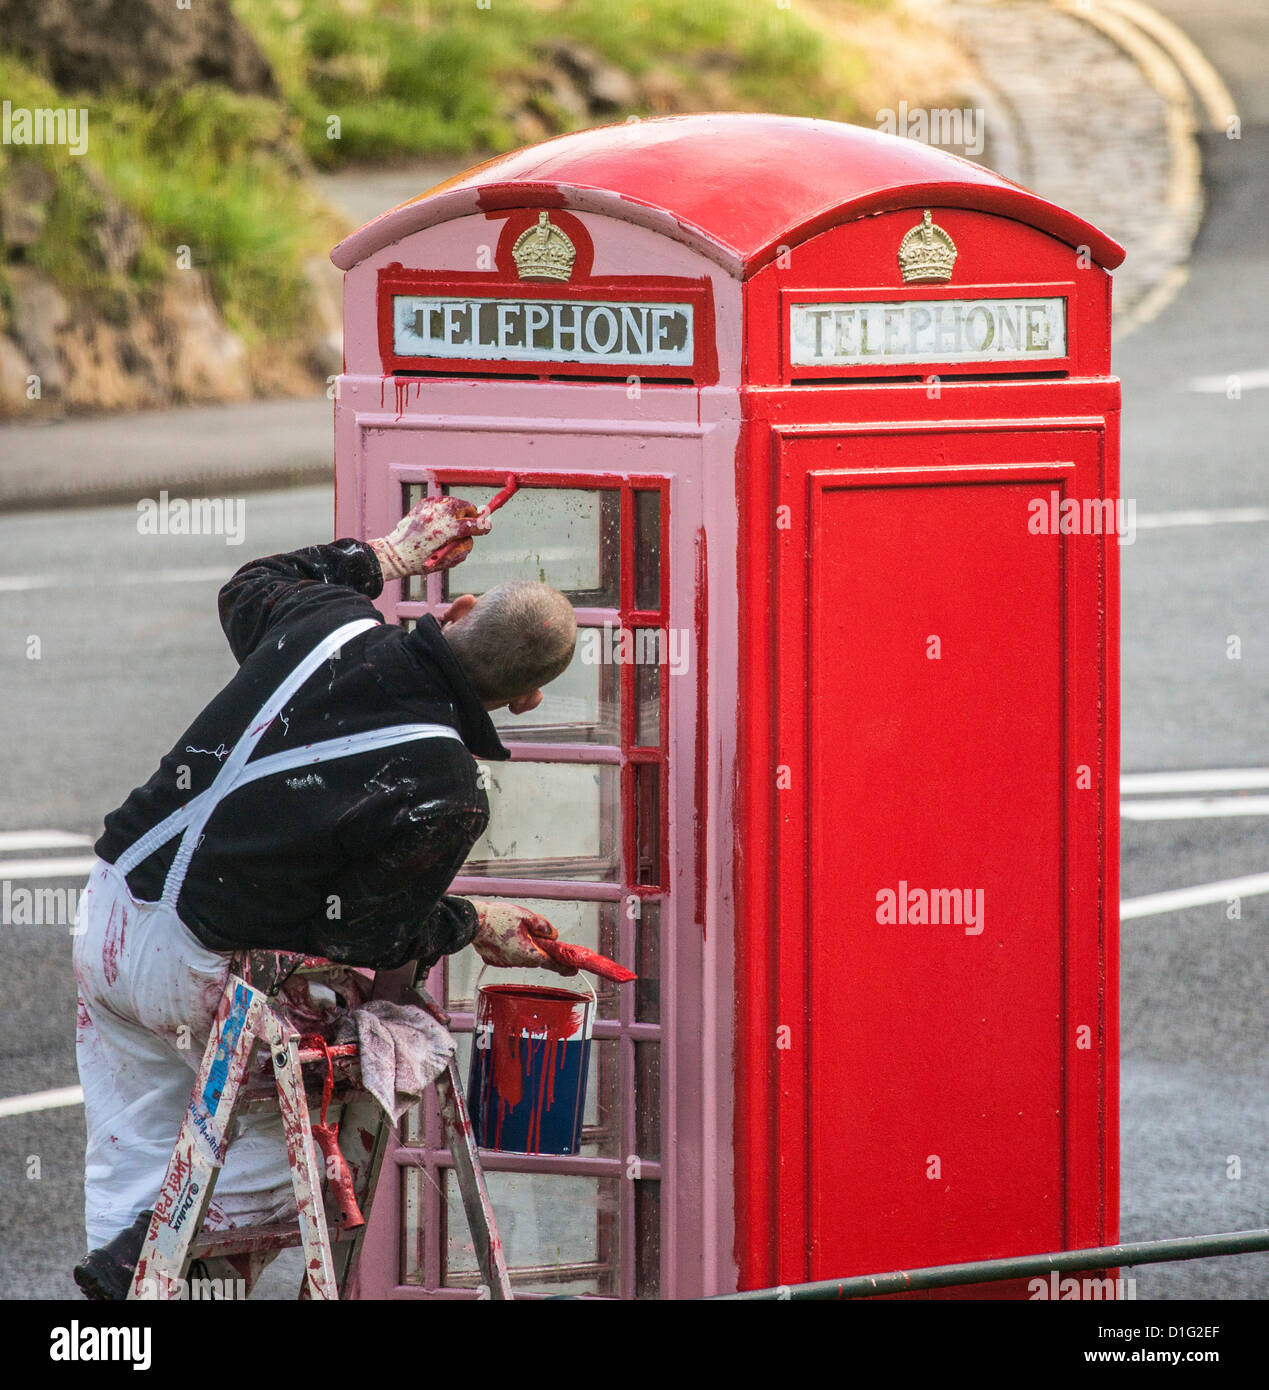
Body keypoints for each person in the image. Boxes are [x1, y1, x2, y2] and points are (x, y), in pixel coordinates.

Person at [71, 494, 578, 1299]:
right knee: (287, 1159)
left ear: (460, 608)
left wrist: (389, 554)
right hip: (199, 966)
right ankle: (131, 1265)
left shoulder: (327, 623)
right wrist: (476, 922)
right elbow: (369, 933)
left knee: (134, 1145)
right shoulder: (446, 784)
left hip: (108, 909)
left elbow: (249, 584)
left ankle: (115, 1331)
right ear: (525, 700)